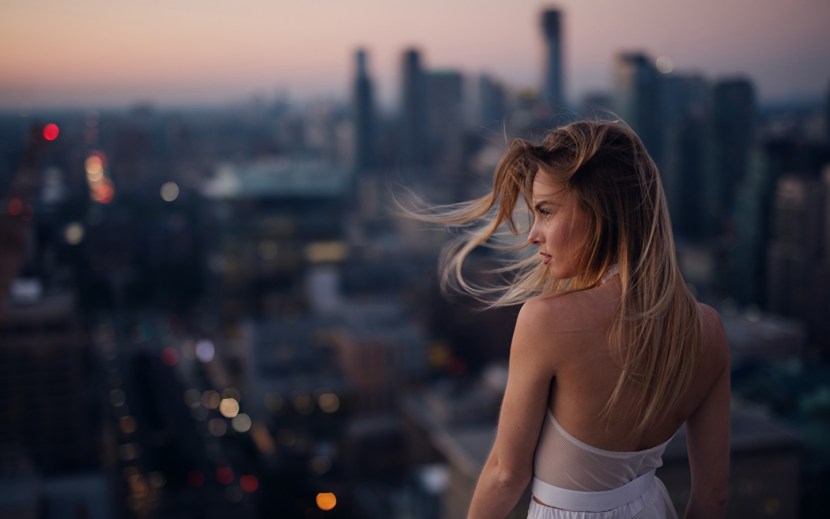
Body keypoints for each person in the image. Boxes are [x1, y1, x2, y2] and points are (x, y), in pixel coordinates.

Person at [426, 121, 730, 518]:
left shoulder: (546, 321)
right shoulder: (708, 329)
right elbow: (712, 498)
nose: (534, 234)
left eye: (546, 212)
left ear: (601, 210)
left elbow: (505, 474)